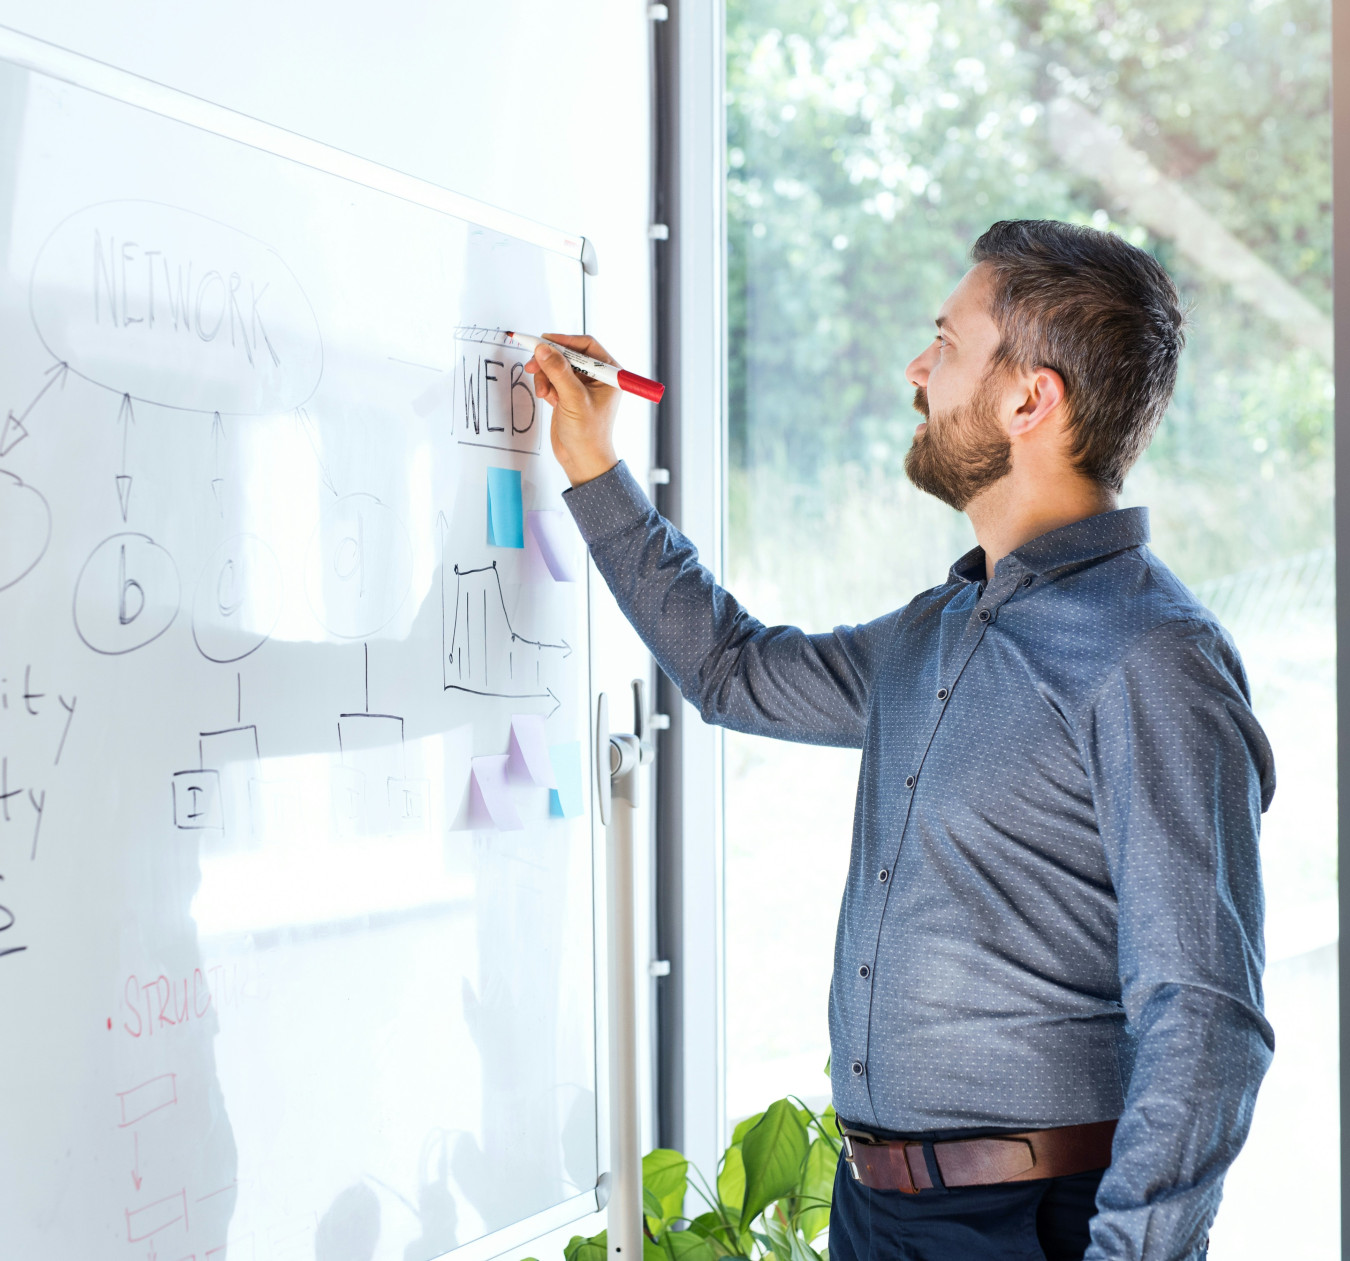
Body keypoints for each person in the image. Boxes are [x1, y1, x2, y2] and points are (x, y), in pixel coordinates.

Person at [526, 219, 1275, 1261]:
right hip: (875, 1215)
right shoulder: (933, 632)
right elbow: (733, 671)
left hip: (1030, 1223)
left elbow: (1206, 1014)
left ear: (1030, 400)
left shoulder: (1152, 657)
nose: (917, 370)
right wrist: (592, 463)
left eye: (947, 342)